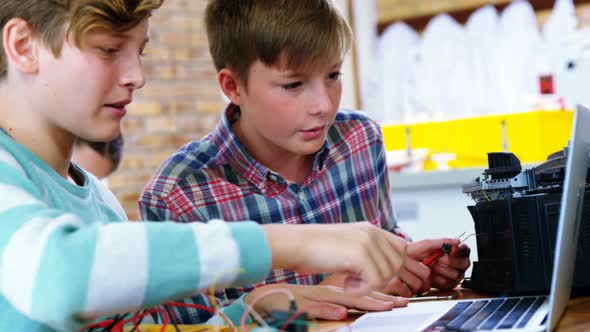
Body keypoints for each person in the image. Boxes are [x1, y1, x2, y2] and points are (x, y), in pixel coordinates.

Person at [0, 1, 410, 331]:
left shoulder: (98, 201)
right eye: (109, 49)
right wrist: (292, 243)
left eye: (139, 52)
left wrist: (254, 307)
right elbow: (57, 276)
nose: (137, 76)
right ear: (23, 46)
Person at [139, 0, 471, 325]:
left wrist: (419, 268)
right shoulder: (179, 196)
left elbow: (387, 245)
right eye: (293, 84)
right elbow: (193, 326)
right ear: (233, 86)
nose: (323, 105)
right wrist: (327, 290)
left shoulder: (360, 140)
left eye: (333, 75)